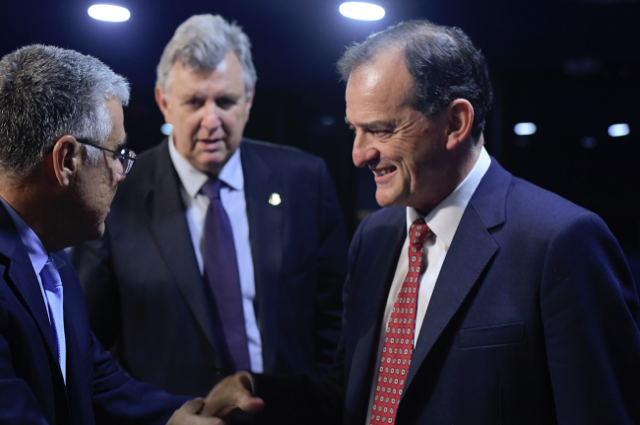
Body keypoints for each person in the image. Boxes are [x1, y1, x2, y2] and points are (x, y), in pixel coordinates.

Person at [201, 20, 640, 425]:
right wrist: (260, 390)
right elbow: (352, 396)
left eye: (380, 130)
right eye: (355, 130)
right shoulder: (374, 238)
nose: (358, 154)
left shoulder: (562, 243)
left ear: (456, 122)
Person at [71, 14, 347, 398]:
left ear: (248, 101)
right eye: (195, 102)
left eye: (226, 101)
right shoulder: (118, 190)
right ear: (164, 102)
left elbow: (336, 323)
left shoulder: (305, 180)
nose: (211, 120)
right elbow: (86, 339)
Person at [0, 44, 226, 425]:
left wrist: (189, 414)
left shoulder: (51, 261)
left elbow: (95, 379)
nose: (122, 172)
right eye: (117, 153)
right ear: (67, 160)